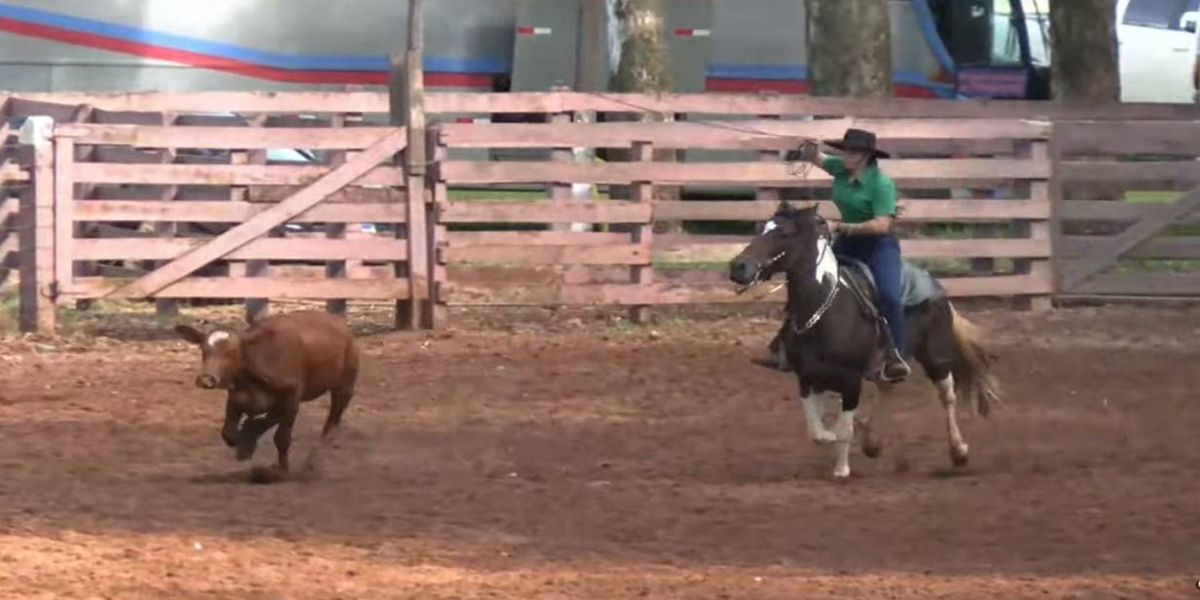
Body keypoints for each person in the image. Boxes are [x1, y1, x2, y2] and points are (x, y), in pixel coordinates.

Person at [767, 128, 911, 382]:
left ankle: (894, 355)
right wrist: (807, 147)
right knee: (806, 280)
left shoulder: (881, 184)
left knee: (890, 295)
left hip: (878, 246)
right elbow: (817, 158)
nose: (845, 155)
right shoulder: (841, 168)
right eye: (844, 150)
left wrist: (841, 227)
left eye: (852, 152)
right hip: (848, 242)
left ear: (866, 156)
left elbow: (882, 225)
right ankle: (785, 344)